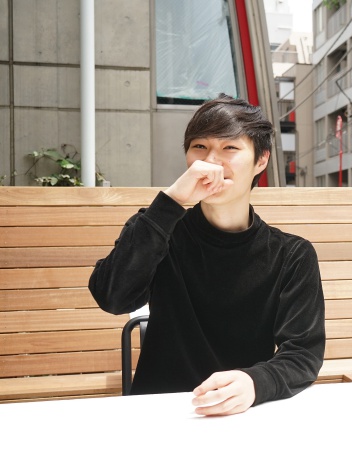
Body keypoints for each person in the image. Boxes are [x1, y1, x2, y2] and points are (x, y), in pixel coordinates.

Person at [89, 95, 326, 416]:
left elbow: (303, 354)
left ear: (261, 160)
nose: (211, 162)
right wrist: (172, 201)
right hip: (159, 410)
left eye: (230, 148)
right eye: (199, 147)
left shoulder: (292, 255)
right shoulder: (159, 230)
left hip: (244, 412)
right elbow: (112, 298)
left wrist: (255, 382)